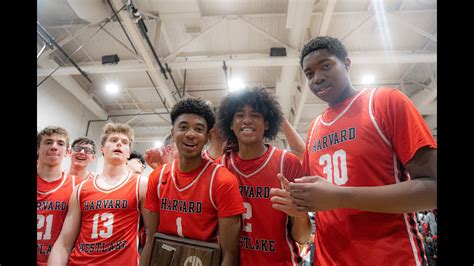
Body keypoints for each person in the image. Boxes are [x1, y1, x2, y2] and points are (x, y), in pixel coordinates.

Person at [277, 36, 437, 265]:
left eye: (326, 66)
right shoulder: (314, 128)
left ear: (347, 63)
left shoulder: (385, 102)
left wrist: (341, 197)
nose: (318, 78)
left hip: (389, 257)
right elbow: (319, 199)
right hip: (327, 259)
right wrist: (298, 206)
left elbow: (433, 189)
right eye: (309, 74)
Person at [140, 98, 245, 266]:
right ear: (173, 132)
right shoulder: (158, 177)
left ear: (206, 137)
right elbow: (151, 240)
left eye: (199, 129)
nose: (190, 134)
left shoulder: (223, 180)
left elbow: (229, 255)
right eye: (183, 127)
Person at [216, 87, 311, 266]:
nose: (247, 120)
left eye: (255, 115)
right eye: (239, 115)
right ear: (230, 123)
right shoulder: (220, 167)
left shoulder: (287, 162)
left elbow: (303, 238)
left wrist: (299, 213)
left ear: (267, 123)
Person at [48, 123, 148, 265]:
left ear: (128, 152)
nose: (119, 143)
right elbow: (64, 243)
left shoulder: (141, 185)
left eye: (124, 142)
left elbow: (150, 237)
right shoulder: (81, 188)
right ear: (102, 149)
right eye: (113, 140)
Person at [37, 126, 83, 265]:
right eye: (48, 142)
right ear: (38, 148)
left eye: (60, 143)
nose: (54, 147)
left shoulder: (78, 186)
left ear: (68, 152)